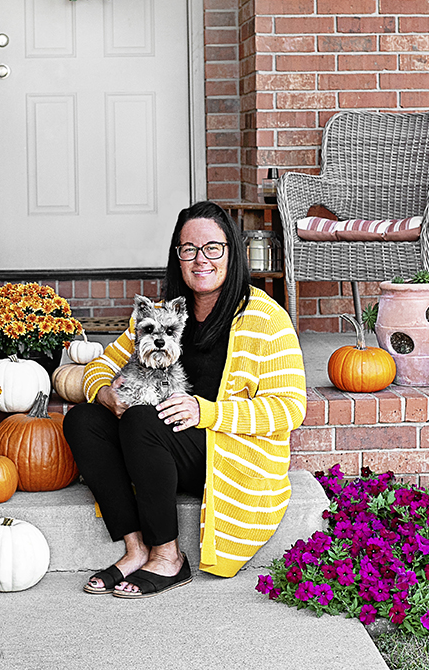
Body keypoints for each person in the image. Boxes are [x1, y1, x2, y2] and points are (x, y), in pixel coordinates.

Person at [63, 200, 306, 598]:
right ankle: (136, 548)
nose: (200, 259)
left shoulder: (265, 318)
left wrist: (206, 411)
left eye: (213, 248)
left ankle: (169, 556)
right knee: (82, 419)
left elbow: (290, 408)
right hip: (162, 445)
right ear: (177, 256)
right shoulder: (161, 316)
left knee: (143, 421)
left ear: (232, 253)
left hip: (225, 452)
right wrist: (106, 394)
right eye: (188, 249)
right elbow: (101, 366)